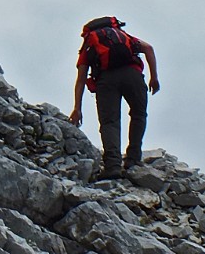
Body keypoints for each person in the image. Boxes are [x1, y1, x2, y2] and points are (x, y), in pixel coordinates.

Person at [68, 16, 161, 180]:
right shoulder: (124, 37)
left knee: (109, 122)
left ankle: (113, 166)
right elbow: (149, 49)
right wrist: (154, 78)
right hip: (133, 75)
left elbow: (81, 79)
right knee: (138, 114)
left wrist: (77, 108)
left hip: (106, 81)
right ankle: (133, 159)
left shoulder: (89, 45)